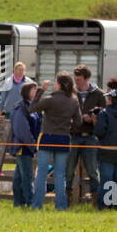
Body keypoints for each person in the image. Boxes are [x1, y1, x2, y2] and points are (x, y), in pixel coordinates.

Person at [29, 72, 78, 210]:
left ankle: (37, 205)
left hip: (47, 138)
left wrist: (41, 91)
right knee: (60, 174)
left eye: (56, 82)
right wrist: (67, 127)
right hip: (63, 139)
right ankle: (61, 206)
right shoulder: (74, 101)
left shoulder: (49, 99)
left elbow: (32, 108)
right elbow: (78, 122)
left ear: (59, 84)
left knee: (42, 173)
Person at [66, 64, 106, 207]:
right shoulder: (70, 93)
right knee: (69, 169)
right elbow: (64, 111)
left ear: (87, 78)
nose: (76, 82)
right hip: (74, 135)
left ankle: (97, 200)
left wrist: (93, 118)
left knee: (92, 171)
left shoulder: (99, 94)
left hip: (90, 135)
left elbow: (104, 113)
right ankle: (67, 199)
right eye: (75, 79)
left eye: (79, 79)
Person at [8, 80, 41, 208]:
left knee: (19, 176)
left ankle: (18, 202)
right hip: (23, 147)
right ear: (27, 91)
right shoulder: (20, 107)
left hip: (29, 147)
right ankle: (29, 202)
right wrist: (32, 144)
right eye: (33, 89)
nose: (35, 92)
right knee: (27, 175)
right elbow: (21, 130)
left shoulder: (33, 106)